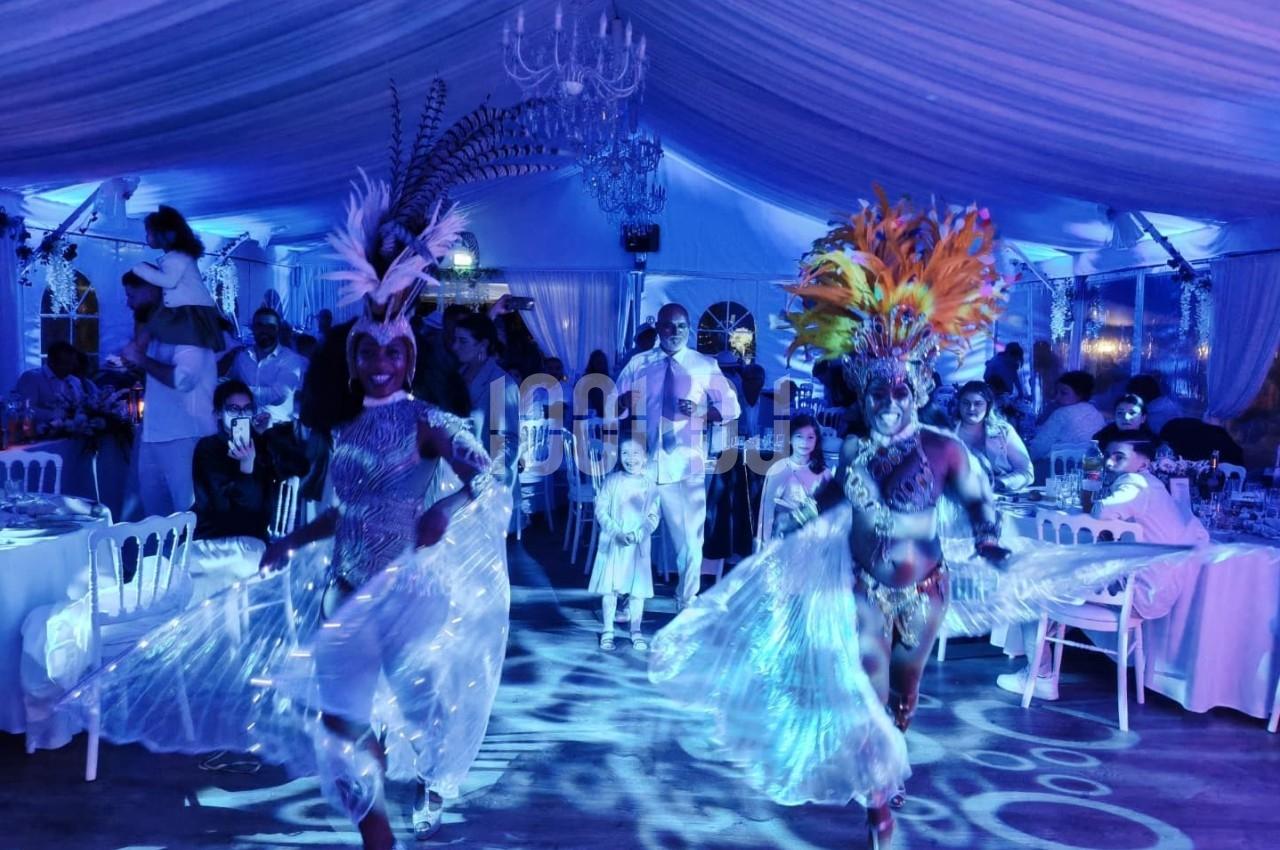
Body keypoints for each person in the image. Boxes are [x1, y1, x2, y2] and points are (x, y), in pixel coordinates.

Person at [995, 437, 1207, 700]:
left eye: (1118, 456)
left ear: (1144, 462)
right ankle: (1045, 651)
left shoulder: (1136, 484)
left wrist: (1095, 504)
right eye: (1108, 455)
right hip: (1156, 587)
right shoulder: (1156, 488)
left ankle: (1040, 675)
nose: (1108, 462)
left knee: (1027, 587)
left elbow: (1105, 510)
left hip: (1135, 591)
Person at [615, 302, 741, 610]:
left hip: (684, 467)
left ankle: (686, 601)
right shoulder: (638, 365)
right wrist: (623, 402)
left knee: (690, 545)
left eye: (681, 326)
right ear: (658, 328)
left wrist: (702, 410)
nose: (675, 332)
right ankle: (625, 601)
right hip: (642, 465)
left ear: (689, 329)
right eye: (669, 326)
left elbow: (730, 408)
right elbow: (612, 408)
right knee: (630, 538)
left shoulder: (704, 365)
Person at [188, 380, 308, 601]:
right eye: (233, 409)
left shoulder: (261, 444)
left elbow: (299, 466)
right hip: (213, 537)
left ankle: (230, 624)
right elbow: (220, 507)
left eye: (246, 408)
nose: (241, 414)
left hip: (250, 538)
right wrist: (246, 466)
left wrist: (263, 438)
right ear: (218, 414)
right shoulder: (208, 448)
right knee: (192, 562)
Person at [120, 271, 218, 517]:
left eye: (132, 295)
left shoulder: (190, 329)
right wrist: (140, 356)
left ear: (153, 290)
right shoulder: (157, 331)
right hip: (155, 434)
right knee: (156, 521)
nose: (128, 303)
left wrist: (141, 359)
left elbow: (183, 380)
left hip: (187, 436)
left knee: (189, 517)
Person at [587, 432, 661, 652]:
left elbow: (653, 517)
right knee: (611, 588)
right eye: (625, 453)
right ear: (619, 456)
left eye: (636, 453)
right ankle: (608, 629)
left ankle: (635, 629)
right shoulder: (612, 481)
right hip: (614, 544)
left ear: (645, 456)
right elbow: (601, 510)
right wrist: (616, 532)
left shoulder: (650, 485)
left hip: (638, 546)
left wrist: (639, 534)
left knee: (637, 590)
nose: (631, 458)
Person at [128, 205, 226, 352]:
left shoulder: (177, 257)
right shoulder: (175, 257)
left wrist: (140, 268)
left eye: (149, 233)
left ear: (163, 234)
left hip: (191, 308)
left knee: (188, 343)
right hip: (183, 307)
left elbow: (168, 281)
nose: (147, 238)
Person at [450, 312, 519, 485]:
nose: (455, 346)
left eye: (462, 341)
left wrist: (488, 479)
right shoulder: (457, 376)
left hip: (487, 486)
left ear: (483, 344)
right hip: (456, 478)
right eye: (455, 340)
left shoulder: (500, 384)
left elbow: (508, 441)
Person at [756, 413, 832, 547]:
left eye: (810, 438)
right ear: (790, 439)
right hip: (783, 539)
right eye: (799, 437)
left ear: (816, 441)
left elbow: (830, 513)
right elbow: (767, 510)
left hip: (814, 541)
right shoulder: (779, 469)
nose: (805, 442)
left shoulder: (824, 473)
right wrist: (764, 544)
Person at [224, 306, 308, 425]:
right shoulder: (242, 357)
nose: (264, 330)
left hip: (278, 428)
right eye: (259, 326)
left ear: (278, 330)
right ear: (253, 328)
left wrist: (238, 390)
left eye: (270, 326)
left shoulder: (290, 359)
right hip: (247, 427)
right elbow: (230, 385)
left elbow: (278, 396)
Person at [952, 380, 1033, 492]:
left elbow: (1027, 472)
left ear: (988, 406)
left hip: (1001, 498)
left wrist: (1000, 483)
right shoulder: (947, 433)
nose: (971, 408)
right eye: (965, 403)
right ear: (958, 404)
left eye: (978, 403)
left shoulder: (1004, 431)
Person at [1026, 370, 1106, 461]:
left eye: (1063, 393)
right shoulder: (1096, 413)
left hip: (1056, 467)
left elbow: (1037, 449)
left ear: (1080, 394)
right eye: (1056, 392)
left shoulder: (1062, 413)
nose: (1057, 397)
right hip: (1088, 466)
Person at [14, 341, 90, 421]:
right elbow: (25, 409)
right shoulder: (32, 378)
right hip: (39, 431)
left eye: (72, 364)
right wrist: (55, 415)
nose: (70, 368)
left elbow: (82, 405)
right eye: (66, 363)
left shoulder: (75, 381)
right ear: (51, 362)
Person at [1091, 392, 1157, 447]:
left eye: (1132, 413)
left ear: (1143, 418)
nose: (1126, 417)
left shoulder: (1153, 442)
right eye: (1120, 413)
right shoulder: (1101, 438)